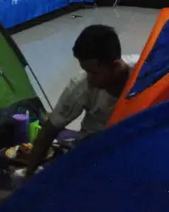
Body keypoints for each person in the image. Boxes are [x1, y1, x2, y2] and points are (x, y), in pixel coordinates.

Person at [21, 25, 137, 170]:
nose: (89, 78)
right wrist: (29, 174)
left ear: (115, 65)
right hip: (93, 147)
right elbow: (48, 132)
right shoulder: (81, 85)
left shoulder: (146, 73)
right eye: (85, 71)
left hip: (132, 142)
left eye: (93, 72)